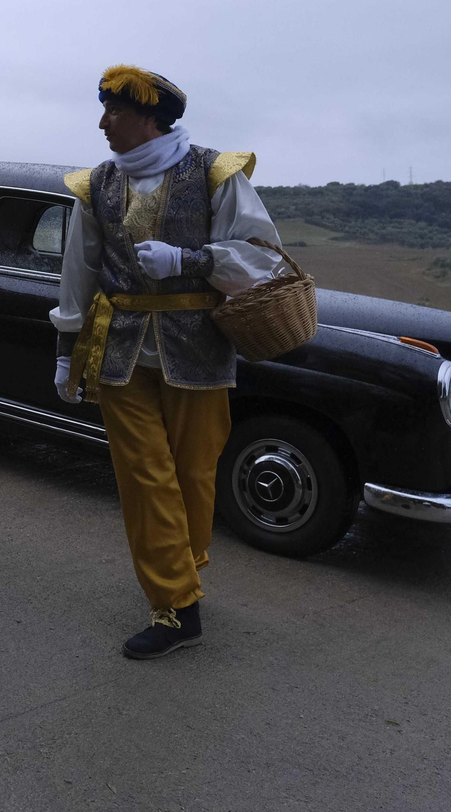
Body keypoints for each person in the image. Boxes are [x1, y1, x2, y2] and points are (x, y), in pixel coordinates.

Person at [53, 64, 282, 660]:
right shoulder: (97, 185)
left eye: (115, 113)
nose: (103, 123)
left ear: (150, 118)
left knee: (194, 477)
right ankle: (176, 607)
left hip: (199, 350)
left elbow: (261, 258)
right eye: (103, 111)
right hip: (121, 352)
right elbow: (76, 271)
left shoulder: (214, 173)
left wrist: (189, 260)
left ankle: (181, 566)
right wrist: (65, 351)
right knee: (145, 478)